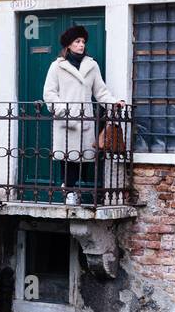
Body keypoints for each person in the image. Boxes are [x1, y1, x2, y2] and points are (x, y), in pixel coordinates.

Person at [43, 25, 122, 205]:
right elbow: (49, 93)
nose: (81, 45)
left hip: (85, 119)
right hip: (66, 120)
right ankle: (69, 190)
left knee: (84, 159)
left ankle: (76, 189)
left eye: (83, 42)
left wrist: (114, 102)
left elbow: (100, 91)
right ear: (69, 45)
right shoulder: (56, 67)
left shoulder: (91, 65)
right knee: (67, 157)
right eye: (77, 42)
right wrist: (63, 109)